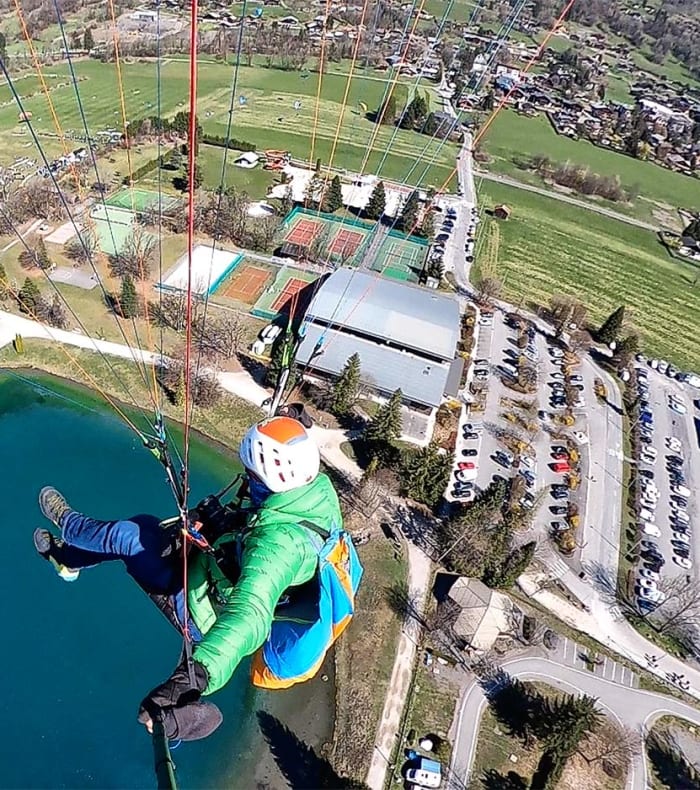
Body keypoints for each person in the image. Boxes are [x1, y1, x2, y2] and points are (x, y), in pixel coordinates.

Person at [33, 415, 363, 740]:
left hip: (199, 610)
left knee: (131, 537)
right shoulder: (313, 496)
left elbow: (250, 613)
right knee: (146, 532)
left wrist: (197, 675)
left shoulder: (280, 546)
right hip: (210, 571)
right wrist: (226, 524)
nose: (246, 480)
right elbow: (265, 524)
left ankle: (69, 526)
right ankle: (67, 560)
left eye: (251, 475)